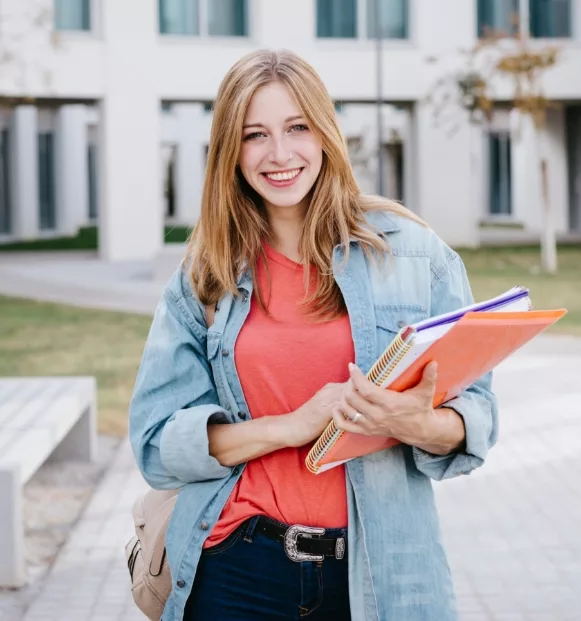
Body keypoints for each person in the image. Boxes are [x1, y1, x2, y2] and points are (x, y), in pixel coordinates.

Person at [129, 49, 498, 621]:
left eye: (297, 127)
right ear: (231, 149)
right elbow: (156, 443)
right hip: (237, 566)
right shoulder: (206, 274)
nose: (280, 154)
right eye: (255, 134)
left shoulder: (414, 254)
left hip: (382, 575)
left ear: (324, 133)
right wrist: (292, 426)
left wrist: (414, 422)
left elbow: (477, 418)